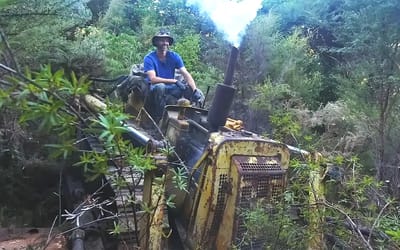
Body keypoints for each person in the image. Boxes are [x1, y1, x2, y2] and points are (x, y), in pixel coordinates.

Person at [143, 30, 204, 121]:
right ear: (156, 42)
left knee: (190, 90)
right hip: (154, 88)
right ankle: (158, 119)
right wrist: (175, 81)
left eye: (166, 40)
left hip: (171, 88)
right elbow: (153, 79)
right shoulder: (149, 58)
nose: (165, 43)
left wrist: (194, 90)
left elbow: (185, 73)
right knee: (160, 87)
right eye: (162, 40)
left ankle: (188, 119)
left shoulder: (174, 56)